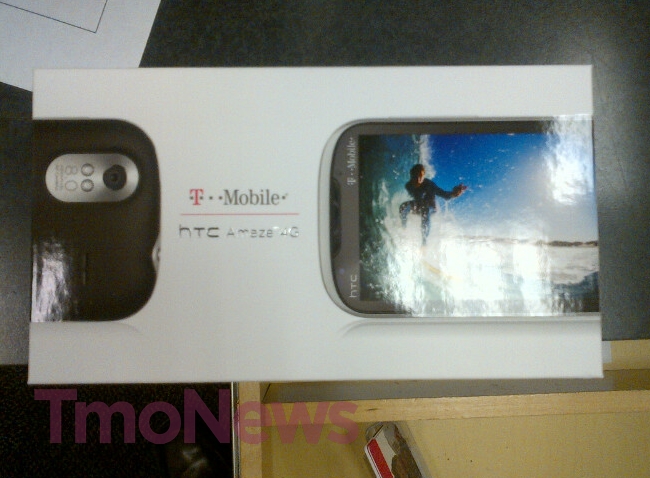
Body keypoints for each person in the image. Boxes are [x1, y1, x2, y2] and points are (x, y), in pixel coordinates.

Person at [399, 164, 466, 245]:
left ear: (423, 176)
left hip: (431, 208)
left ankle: (424, 243)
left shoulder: (429, 184)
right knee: (403, 206)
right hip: (419, 206)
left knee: (425, 209)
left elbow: (445, 195)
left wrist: (455, 193)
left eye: (421, 176)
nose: (418, 179)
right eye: (416, 176)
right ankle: (403, 230)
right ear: (411, 176)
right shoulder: (408, 186)